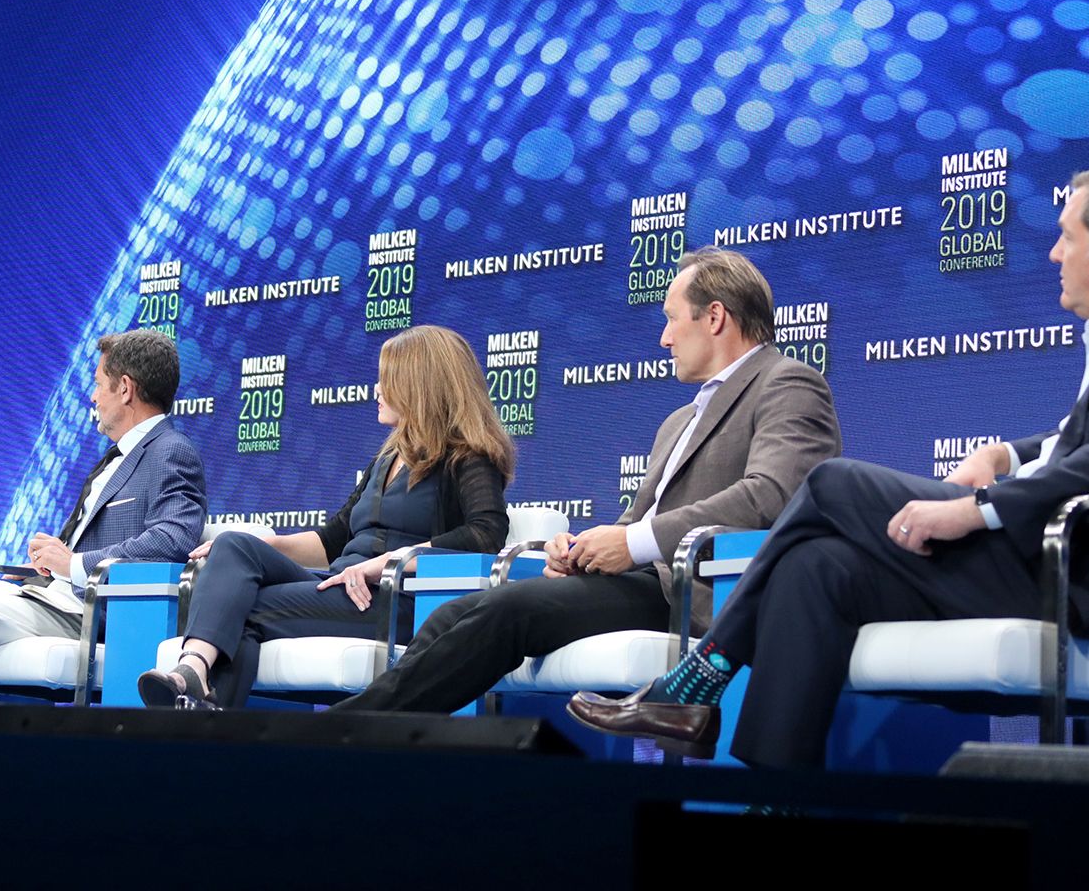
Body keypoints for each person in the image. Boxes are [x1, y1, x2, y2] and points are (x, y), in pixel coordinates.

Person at [570, 167, 1089, 768]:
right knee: (816, 570)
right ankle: (775, 799)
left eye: (1066, 236)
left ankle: (698, 680)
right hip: (1065, 559)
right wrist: (1008, 454)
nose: (1052, 252)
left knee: (835, 483)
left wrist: (976, 508)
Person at [330, 248, 839, 714]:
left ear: (714, 316)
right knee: (453, 615)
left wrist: (632, 543)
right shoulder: (679, 421)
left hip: (693, 591)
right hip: (642, 579)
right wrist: (581, 550)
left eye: (669, 319)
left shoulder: (787, 383)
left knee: (508, 609)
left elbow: (773, 495)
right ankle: (382, 738)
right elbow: (635, 522)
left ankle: (351, 729)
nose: (663, 338)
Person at [137, 323, 514, 710]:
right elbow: (332, 539)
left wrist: (388, 563)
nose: (377, 390)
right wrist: (258, 548)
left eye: (387, 379)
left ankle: (199, 699)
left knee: (240, 610)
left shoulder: (467, 456)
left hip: (391, 600)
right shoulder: (387, 458)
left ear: (419, 386)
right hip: (338, 585)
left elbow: (486, 534)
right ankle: (197, 682)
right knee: (235, 545)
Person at [0, 329, 205, 702]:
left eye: (98, 384)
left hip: (90, 610)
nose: (92, 397)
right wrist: (48, 562)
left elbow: (172, 539)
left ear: (124, 389)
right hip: (51, 595)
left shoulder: (172, 451)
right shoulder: (112, 458)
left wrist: (74, 563)